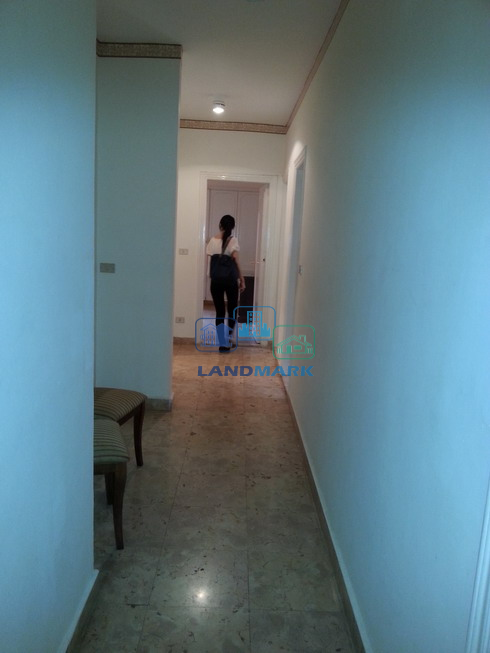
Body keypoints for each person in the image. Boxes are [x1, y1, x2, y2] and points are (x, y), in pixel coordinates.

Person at [206, 214, 245, 352]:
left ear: (220, 225)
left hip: (216, 280)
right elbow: (236, 260)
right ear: (232, 227)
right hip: (230, 281)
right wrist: (242, 278)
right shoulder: (233, 240)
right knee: (232, 310)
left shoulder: (212, 240)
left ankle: (222, 343)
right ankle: (228, 338)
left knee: (220, 312)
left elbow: (210, 261)